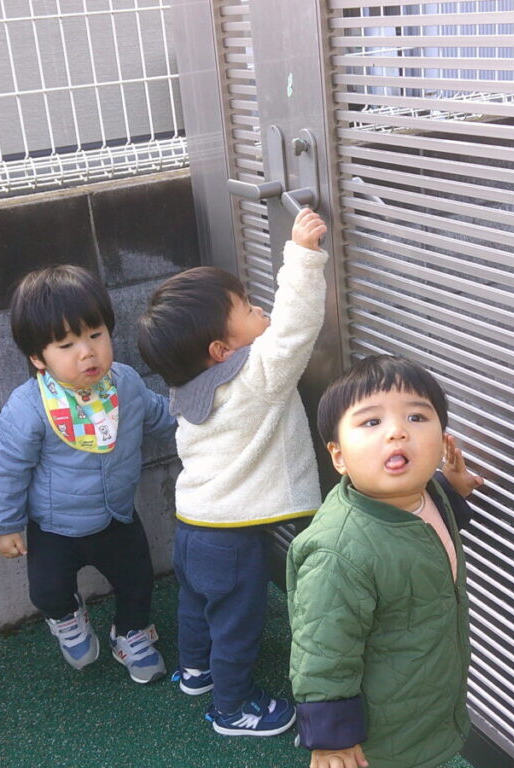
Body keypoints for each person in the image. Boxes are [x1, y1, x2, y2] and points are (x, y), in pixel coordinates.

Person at [136, 207, 329, 737]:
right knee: (237, 624)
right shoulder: (254, 378)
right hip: (231, 540)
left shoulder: (188, 389)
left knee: (198, 608)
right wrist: (303, 256)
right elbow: (293, 330)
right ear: (223, 350)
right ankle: (233, 708)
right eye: (246, 307)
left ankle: (196, 671)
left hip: (193, 528)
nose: (260, 307)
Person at [0, 264, 175, 684]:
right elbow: (7, 469)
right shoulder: (29, 407)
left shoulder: (124, 384)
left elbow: (161, 416)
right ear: (38, 358)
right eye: (66, 344)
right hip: (54, 526)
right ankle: (67, 618)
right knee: (47, 590)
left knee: (138, 581)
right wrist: (3, 525)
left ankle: (131, 634)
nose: (87, 352)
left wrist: (201, 421)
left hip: (117, 516)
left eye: (96, 335)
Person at [287, 355, 485, 768]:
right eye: (372, 422)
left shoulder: (426, 492)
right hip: (379, 734)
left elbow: (423, 534)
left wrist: (454, 488)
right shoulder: (338, 552)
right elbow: (323, 653)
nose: (397, 431)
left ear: (442, 437)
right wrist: (332, 740)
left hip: (422, 702)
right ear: (339, 457)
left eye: (416, 417)